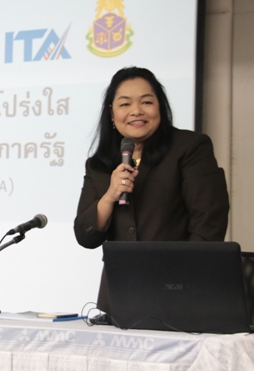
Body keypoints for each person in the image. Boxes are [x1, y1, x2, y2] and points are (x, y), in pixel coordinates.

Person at [73, 66, 230, 314]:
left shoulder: (189, 147)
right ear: (112, 114)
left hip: (180, 294)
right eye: (125, 104)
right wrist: (110, 195)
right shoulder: (99, 164)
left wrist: (181, 282)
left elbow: (209, 221)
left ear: (160, 107)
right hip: (120, 297)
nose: (136, 111)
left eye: (146, 102)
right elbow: (85, 235)